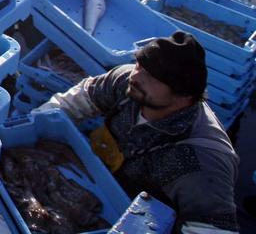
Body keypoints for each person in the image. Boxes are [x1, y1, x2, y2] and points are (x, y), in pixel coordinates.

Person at [37, 32, 239, 233]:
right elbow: (76, 100)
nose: (136, 76)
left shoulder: (202, 160)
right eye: (139, 64)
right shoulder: (127, 82)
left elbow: (211, 230)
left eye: (153, 76)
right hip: (92, 182)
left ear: (185, 96)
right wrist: (35, 123)